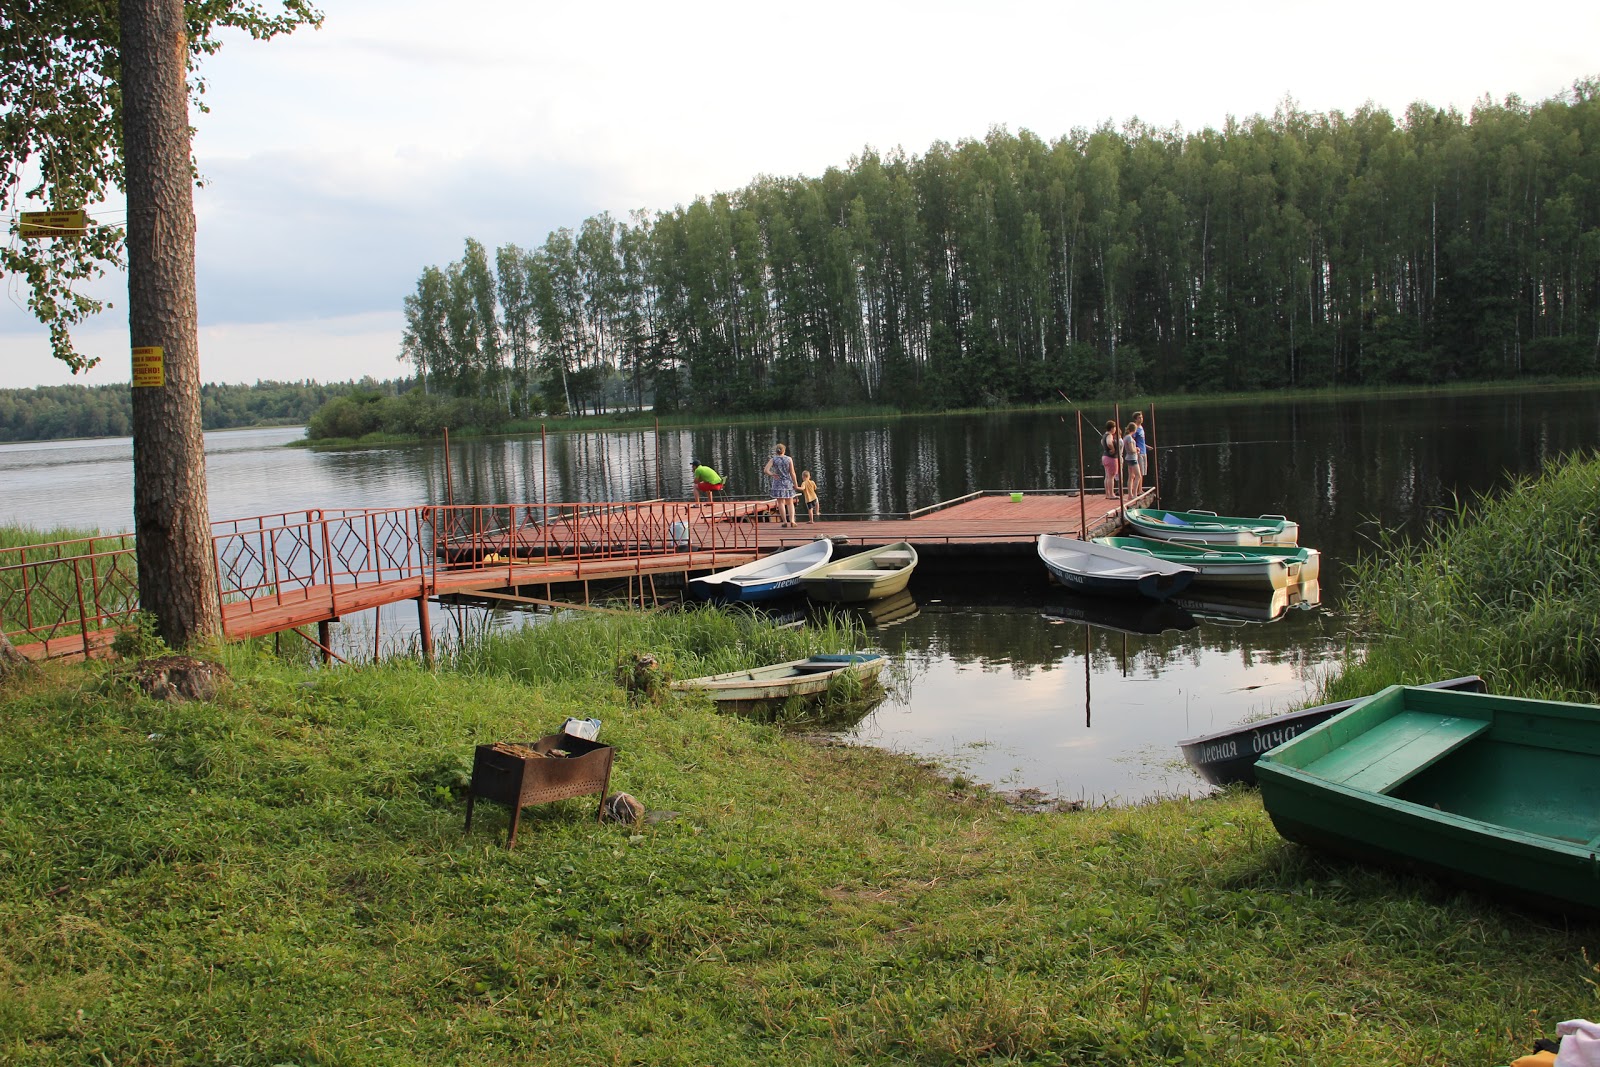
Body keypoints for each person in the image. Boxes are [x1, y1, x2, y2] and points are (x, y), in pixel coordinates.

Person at [762, 443, 798, 526]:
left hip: (778, 483)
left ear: (776, 451)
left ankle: (785, 521)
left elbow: (766, 470)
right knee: (790, 502)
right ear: (784, 450)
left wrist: (772, 474)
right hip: (788, 483)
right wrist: (795, 483)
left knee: (781, 503)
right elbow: (792, 472)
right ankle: (792, 521)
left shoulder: (773, 459)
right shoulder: (789, 459)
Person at [1122, 422, 1143, 496]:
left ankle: (1130, 495)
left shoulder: (1126, 437)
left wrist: (1135, 448)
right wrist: (1136, 450)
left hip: (1128, 458)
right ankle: (1134, 494)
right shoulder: (1129, 438)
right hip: (1133, 458)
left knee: (1131, 476)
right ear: (1134, 429)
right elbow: (1131, 449)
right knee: (1138, 476)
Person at [1100, 420, 1120, 497]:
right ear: (1112, 428)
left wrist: (1106, 449)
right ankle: (1112, 494)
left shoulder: (1104, 435)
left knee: (1107, 476)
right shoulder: (1110, 435)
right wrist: (1113, 449)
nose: (1115, 429)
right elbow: (1108, 442)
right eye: (1115, 428)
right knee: (1111, 476)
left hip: (1105, 457)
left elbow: (1102, 442)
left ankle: (1107, 494)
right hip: (1111, 458)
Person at [1132, 410, 1149, 483]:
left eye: (1141, 417)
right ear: (1135, 419)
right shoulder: (1135, 429)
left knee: (1143, 472)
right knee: (1139, 472)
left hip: (1144, 451)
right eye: (1139, 418)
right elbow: (1132, 441)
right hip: (1139, 453)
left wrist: (1147, 446)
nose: (1141, 419)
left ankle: (1140, 489)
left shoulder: (1141, 427)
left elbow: (1141, 441)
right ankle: (1138, 490)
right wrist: (1135, 449)